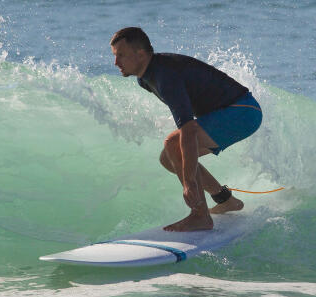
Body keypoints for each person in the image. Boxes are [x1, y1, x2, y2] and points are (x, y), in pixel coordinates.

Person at [110, 27, 263, 232]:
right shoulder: (145, 78)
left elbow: (188, 129)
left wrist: (189, 181)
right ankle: (225, 200)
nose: (116, 63)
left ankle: (200, 216)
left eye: (121, 55)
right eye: (114, 56)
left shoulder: (164, 75)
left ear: (140, 54)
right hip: (235, 112)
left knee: (173, 144)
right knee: (169, 157)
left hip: (242, 111)